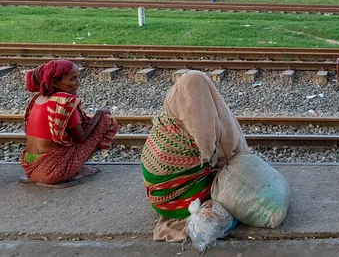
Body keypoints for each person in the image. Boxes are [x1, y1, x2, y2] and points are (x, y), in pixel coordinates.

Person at [141, 71, 249, 241]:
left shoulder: (166, 118)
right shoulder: (199, 128)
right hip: (180, 203)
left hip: (158, 199)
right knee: (227, 175)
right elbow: (215, 151)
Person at [20, 60, 119, 188]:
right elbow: (81, 138)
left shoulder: (38, 98)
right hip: (53, 173)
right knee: (106, 120)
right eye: (73, 79)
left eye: (78, 78)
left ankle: (73, 168)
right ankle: (77, 170)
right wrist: (99, 115)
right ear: (55, 82)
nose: (78, 83)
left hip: (30, 169)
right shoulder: (64, 103)